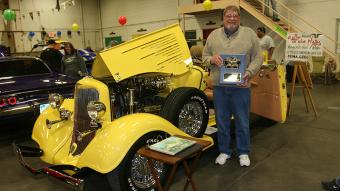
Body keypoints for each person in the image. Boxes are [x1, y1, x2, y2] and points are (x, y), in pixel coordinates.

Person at [202, 5, 262, 167]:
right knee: (222, 121)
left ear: (239, 18)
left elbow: (258, 58)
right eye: (229, 15)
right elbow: (204, 56)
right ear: (223, 18)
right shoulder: (213, 35)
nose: (232, 18)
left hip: (241, 87)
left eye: (235, 15)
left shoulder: (249, 34)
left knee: (242, 121)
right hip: (220, 87)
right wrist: (212, 60)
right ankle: (224, 151)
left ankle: (243, 152)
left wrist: (249, 72)